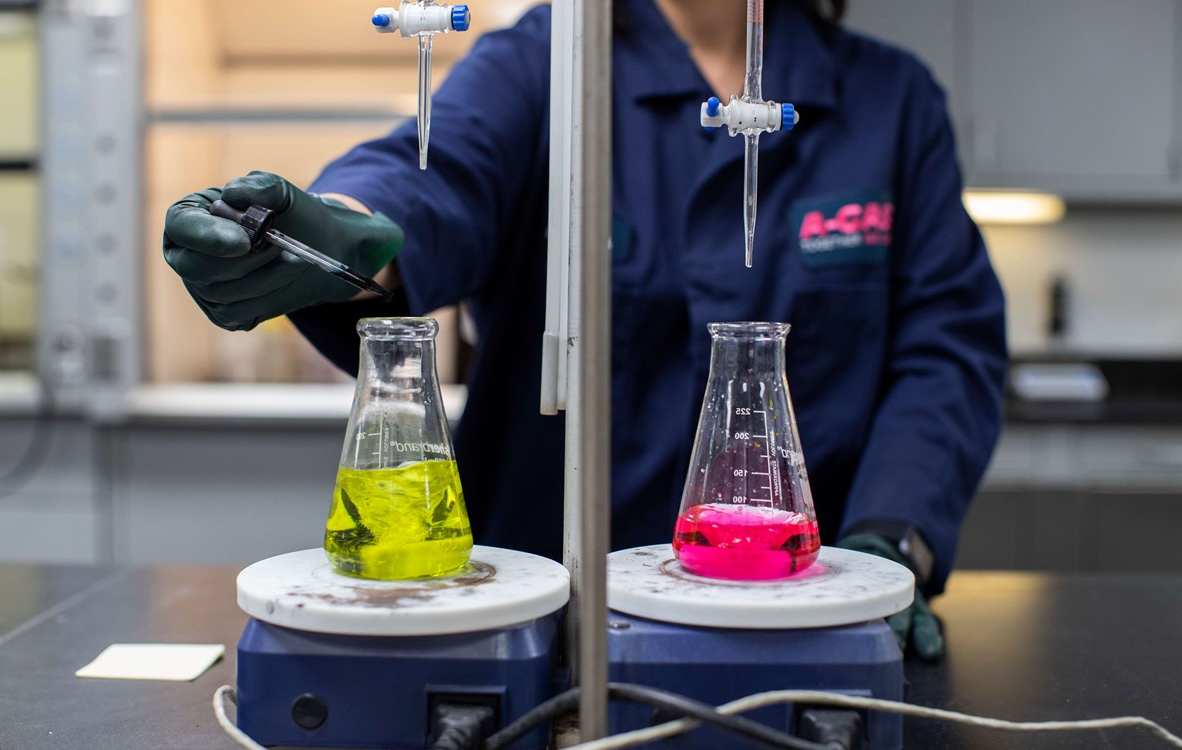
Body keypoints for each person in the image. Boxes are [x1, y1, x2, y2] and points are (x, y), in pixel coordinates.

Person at [163, 0, 1007, 660]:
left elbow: (948, 346)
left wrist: (892, 538)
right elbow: (432, 170)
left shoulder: (888, 102)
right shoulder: (544, 62)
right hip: (546, 619)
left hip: (803, 616)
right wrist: (329, 228)